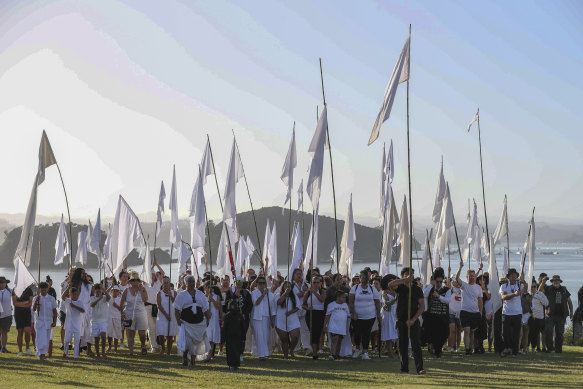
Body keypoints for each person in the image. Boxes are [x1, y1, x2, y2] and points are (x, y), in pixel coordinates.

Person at [389, 267, 426, 375]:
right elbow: (390, 284)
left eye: (411, 274)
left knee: (416, 345)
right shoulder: (399, 287)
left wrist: (414, 319)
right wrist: (404, 280)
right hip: (401, 320)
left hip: (413, 320)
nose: (409, 276)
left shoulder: (417, 289)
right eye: (406, 274)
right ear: (403, 275)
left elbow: (422, 306)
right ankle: (404, 369)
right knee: (403, 345)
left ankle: (420, 368)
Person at [175, 275, 211, 367]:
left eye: (193, 281)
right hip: (187, 322)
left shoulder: (200, 294)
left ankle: (193, 360)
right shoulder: (181, 295)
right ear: (185, 283)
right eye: (189, 282)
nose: (191, 283)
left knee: (196, 342)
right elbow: (176, 309)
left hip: (199, 322)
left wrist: (208, 319)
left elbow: (205, 308)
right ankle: (184, 357)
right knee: (187, 342)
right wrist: (178, 319)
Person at [348, 270, 380, 360]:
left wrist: (378, 314)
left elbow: (377, 302)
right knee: (357, 333)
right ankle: (358, 349)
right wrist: (353, 312)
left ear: (369, 278)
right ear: (360, 278)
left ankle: (365, 352)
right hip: (357, 316)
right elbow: (351, 301)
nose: (364, 279)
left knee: (366, 334)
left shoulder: (372, 288)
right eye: (362, 277)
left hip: (370, 316)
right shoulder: (355, 288)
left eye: (366, 277)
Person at [455, 260, 483, 356]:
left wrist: (481, 312)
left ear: (475, 276)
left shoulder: (478, 288)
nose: (472, 276)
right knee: (466, 330)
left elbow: (480, 301)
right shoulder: (464, 286)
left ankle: (470, 348)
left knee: (472, 332)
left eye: (473, 275)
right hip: (465, 312)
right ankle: (467, 350)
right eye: (470, 275)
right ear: (467, 277)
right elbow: (456, 277)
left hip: (475, 313)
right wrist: (460, 267)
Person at [224, 276, 253, 362]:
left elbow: (250, 305)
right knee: (232, 336)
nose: (239, 283)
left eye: (241, 281)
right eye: (238, 281)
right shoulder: (229, 292)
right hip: (232, 319)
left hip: (243, 318)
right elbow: (226, 306)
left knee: (242, 336)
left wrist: (245, 313)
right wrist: (234, 296)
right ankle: (233, 353)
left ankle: (240, 353)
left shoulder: (246, 293)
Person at [423, 268, 451, 358]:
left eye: (440, 282)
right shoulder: (431, 289)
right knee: (433, 334)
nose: (438, 283)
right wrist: (431, 285)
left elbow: (448, 301)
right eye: (437, 281)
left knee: (444, 334)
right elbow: (424, 294)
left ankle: (438, 349)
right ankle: (436, 351)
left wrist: (439, 297)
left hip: (443, 316)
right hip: (432, 316)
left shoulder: (447, 290)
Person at [120, 271, 149, 356]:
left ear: (139, 281)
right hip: (129, 314)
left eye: (136, 280)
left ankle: (143, 346)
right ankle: (131, 351)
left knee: (142, 333)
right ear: (130, 282)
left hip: (141, 314)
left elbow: (145, 300)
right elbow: (122, 302)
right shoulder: (126, 290)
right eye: (132, 280)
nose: (135, 282)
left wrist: (142, 290)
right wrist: (122, 313)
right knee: (130, 334)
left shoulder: (142, 289)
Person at [500, 268, 527, 357]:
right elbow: (503, 297)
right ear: (508, 277)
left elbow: (526, 288)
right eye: (511, 275)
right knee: (505, 333)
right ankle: (507, 348)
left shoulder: (520, 285)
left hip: (517, 313)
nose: (513, 277)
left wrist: (523, 280)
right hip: (506, 313)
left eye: (515, 275)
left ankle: (514, 351)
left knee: (516, 334)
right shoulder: (504, 286)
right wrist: (514, 294)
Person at [544, 275, 573, 353]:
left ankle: (558, 349)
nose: (556, 281)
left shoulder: (564, 289)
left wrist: (571, 313)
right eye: (554, 280)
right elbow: (540, 290)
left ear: (560, 281)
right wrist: (543, 281)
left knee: (560, 333)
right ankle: (549, 348)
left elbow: (569, 302)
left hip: (561, 315)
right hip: (550, 314)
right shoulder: (548, 289)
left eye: (557, 280)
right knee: (549, 331)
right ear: (552, 282)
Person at [274, 281, 301, 359]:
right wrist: (285, 294)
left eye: (289, 286)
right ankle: (285, 356)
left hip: (292, 319)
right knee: (284, 339)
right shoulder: (278, 295)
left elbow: (298, 306)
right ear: (282, 287)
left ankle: (291, 349)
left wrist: (290, 312)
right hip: (281, 320)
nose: (288, 288)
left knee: (295, 336)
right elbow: (278, 302)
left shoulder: (294, 296)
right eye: (286, 286)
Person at [302, 275, 327, 359]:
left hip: (320, 313)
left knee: (318, 332)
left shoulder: (322, 291)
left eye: (317, 282)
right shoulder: (308, 293)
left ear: (320, 283)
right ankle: (314, 353)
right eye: (314, 282)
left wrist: (315, 292)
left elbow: (322, 299)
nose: (316, 284)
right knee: (313, 332)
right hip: (311, 313)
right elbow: (303, 304)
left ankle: (316, 350)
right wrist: (308, 308)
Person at [251, 276, 275, 361]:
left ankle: (264, 352)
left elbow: (272, 309)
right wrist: (263, 294)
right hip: (257, 318)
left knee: (265, 336)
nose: (261, 285)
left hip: (266, 317)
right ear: (257, 284)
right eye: (260, 283)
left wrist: (272, 319)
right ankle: (261, 355)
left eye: (263, 283)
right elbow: (256, 302)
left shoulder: (271, 295)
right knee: (259, 336)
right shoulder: (254, 293)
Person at [32, 282, 58, 360]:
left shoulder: (51, 298)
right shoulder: (35, 298)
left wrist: (54, 321)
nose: (43, 291)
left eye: (45, 290)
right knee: (40, 338)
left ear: (47, 289)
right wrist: (36, 301)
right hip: (40, 322)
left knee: (46, 339)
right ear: (39, 289)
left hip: (48, 322)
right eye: (42, 290)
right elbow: (33, 309)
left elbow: (54, 311)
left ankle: (43, 353)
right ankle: (41, 354)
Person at [324, 290, 351, 360]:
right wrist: (324, 325)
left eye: (345, 297)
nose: (344, 299)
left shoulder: (345, 305)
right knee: (335, 339)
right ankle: (332, 354)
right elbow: (327, 315)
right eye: (343, 297)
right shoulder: (331, 305)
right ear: (338, 297)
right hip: (334, 326)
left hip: (342, 326)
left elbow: (348, 315)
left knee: (339, 340)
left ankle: (337, 354)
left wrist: (353, 316)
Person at [144, 262, 164, 352]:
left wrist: (156, 264)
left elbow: (162, 273)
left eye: (153, 275)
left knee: (156, 327)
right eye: (150, 274)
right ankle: (153, 346)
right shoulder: (145, 284)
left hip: (156, 308)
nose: (152, 276)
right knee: (151, 327)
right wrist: (150, 266)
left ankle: (154, 343)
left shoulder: (158, 284)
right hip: (147, 308)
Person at [156, 275, 178, 355]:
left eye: (167, 283)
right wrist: (166, 315)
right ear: (162, 284)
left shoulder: (174, 292)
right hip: (162, 315)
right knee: (161, 334)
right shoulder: (159, 293)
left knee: (170, 334)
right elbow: (159, 305)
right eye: (164, 283)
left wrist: (171, 296)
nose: (166, 284)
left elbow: (176, 304)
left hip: (171, 315)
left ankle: (168, 351)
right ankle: (162, 348)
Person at [291, 269, 311, 356]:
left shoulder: (307, 285)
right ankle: (295, 349)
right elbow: (291, 296)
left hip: (304, 311)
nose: (299, 276)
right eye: (297, 274)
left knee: (305, 330)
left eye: (300, 274)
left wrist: (306, 291)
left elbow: (311, 294)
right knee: (295, 331)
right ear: (294, 276)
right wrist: (303, 292)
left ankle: (307, 348)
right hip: (294, 311)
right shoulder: (291, 286)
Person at [12, 282, 34, 356]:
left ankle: (27, 348)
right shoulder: (14, 290)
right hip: (18, 314)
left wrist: (20, 304)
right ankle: (20, 351)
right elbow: (15, 303)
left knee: (27, 331)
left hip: (27, 314)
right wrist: (25, 303)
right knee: (20, 332)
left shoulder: (29, 290)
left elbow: (30, 304)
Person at [63, 287, 84, 359]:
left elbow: (83, 310)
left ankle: (75, 356)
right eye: (73, 294)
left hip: (77, 324)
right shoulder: (68, 301)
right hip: (69, 324)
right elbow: (62, 296)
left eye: (76, 294)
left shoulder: (80, 302)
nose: (75, 295)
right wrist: (68, 287)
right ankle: (65, 352)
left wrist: (74, 306)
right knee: (67, 340)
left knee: (76, 341)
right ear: (70, 294)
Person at [90, 284, 110, 359]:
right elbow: (92, 305)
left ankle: (103, 352)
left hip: (103, 321)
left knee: (103, 336)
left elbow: (109, 298)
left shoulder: (104, 297)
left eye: (99, 291)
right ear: (94, 291)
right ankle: (98, 353)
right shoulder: (92, 298)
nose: (98, 293)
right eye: (96, 291)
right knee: (97, 339)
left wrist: (104, 290)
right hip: (95, 321)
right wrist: (98, 299)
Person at [222, 300, 243, 372]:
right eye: (233, 306)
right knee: (230, 352)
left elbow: (243, 327)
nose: (234, 307)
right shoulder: (227, 316)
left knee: (237, 351)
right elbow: (223, 328)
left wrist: (243, 336)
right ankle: (231, 365)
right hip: (229, 337)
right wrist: (223, 338)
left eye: (235, 306)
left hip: (238, 337)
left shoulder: (239, 315)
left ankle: (236, 364)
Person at [380, 274, 398, 358]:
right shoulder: (385, 292)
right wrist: (395, 299)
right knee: (389, 332)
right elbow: (386, 303)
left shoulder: (396, 291)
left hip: (395, 313)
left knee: (395, 332)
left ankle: (396, 350)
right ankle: (389, 351)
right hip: (387, 313)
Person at [205, 281, 222, 360]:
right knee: (207, 337)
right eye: (207, 288)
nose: (209, 289)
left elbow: (218, 308)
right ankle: (206, 353)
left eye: (210, 288)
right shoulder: (203, 297)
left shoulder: (216, 297)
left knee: (212, 338)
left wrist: (212, 300)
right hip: (206, 319)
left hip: (214, 319)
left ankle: (209, 354)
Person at [530, 280, 548, 352]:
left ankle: (544, 347)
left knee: (543, 333)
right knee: (535, 333)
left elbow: (546, 303)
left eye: (534, 286)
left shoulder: (540, 294)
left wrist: (537, 296)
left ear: (536, 287)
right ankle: (537, 348)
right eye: (531, 287)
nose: (533, 288)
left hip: (540, 316)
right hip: (532, 317)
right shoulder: (528, 294)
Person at [447, 273, 462, 352]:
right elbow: (448, 284)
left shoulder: (462, 289)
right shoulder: (451, 290)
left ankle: (458, 346)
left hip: (460, 313)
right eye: (455, 281)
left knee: (459, 330)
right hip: (451, 313)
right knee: (452, 330)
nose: (457, 283)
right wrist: (449, 272)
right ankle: (451, 346)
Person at [107, 285, 122, 353]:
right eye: (114, 291)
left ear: (118, 292)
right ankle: (109, 346)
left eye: (117, 291)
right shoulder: (109, 298)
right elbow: (105, 293)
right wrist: (110, 287)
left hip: (117, 317)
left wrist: (117, 306)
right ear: (112, 291)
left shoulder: (120, 299)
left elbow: (122, 309)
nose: (115, 292)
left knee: (116, 333)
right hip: (109, 317)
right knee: (109, 333)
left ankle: (115, 348)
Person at [0, 276, 13, 353]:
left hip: (7, 315)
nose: (2, 284)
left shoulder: (10, 291)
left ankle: (4, 347)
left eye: (4, 283)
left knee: (4, 332)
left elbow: (18, 294)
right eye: (1, 282)